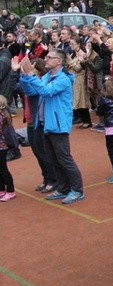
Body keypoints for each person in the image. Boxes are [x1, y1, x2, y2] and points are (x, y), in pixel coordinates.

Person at [18, 52, 85, 205]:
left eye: (49, 58)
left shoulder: (63, 79)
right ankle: (63, 188)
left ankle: (77, 189)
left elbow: (46, 91)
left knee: (64, 159)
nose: (45, 60)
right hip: (46, 124)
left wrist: (31, 75)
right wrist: (25, 76)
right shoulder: (47, 77)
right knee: (53, 159)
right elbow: (32, 92)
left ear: (59, 61)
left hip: (57, 125)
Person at [20, 58, 57, 193]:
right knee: (37, 153)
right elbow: (18, 87)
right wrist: (20, 74)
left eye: (33, 71)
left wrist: (27, 76)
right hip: (31, 122)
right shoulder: (30, 80)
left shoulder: (40, 83)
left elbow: (31, 91)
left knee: (44, 153)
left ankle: (53, 179)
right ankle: (46, 178)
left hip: (39, 122)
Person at [0, 95, 16, 201]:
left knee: (3, 169)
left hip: (1, 147)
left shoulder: (1, 116)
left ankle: (11, 190)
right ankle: (1, 189)